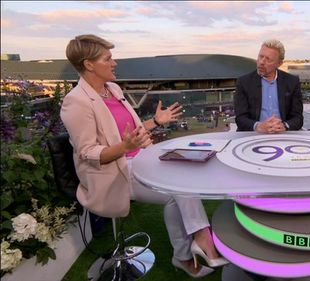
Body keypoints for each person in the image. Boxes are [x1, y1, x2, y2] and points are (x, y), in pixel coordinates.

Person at [61, 34, 227, 278]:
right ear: (89, 64)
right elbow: (89, 153)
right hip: (111, 172)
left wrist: (155, 122)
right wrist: (125, 147)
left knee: (178, 189)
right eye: (108, 58)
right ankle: (202, 239)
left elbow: (133, 133)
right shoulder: (75, 102)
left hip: (138, 160)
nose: (114, 63)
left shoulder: (113, 89)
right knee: (179, 184)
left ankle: (183, 255)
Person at [234, 39, 303, 133]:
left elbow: (298, 118)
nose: (262, 62)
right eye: (261, 56)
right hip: (253, 135)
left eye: (268, 59)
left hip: (282, 135)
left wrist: (284, 126)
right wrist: (258, 126)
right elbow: (240, 118)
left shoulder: (292, 82)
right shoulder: (244, 82)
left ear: (279, 64)